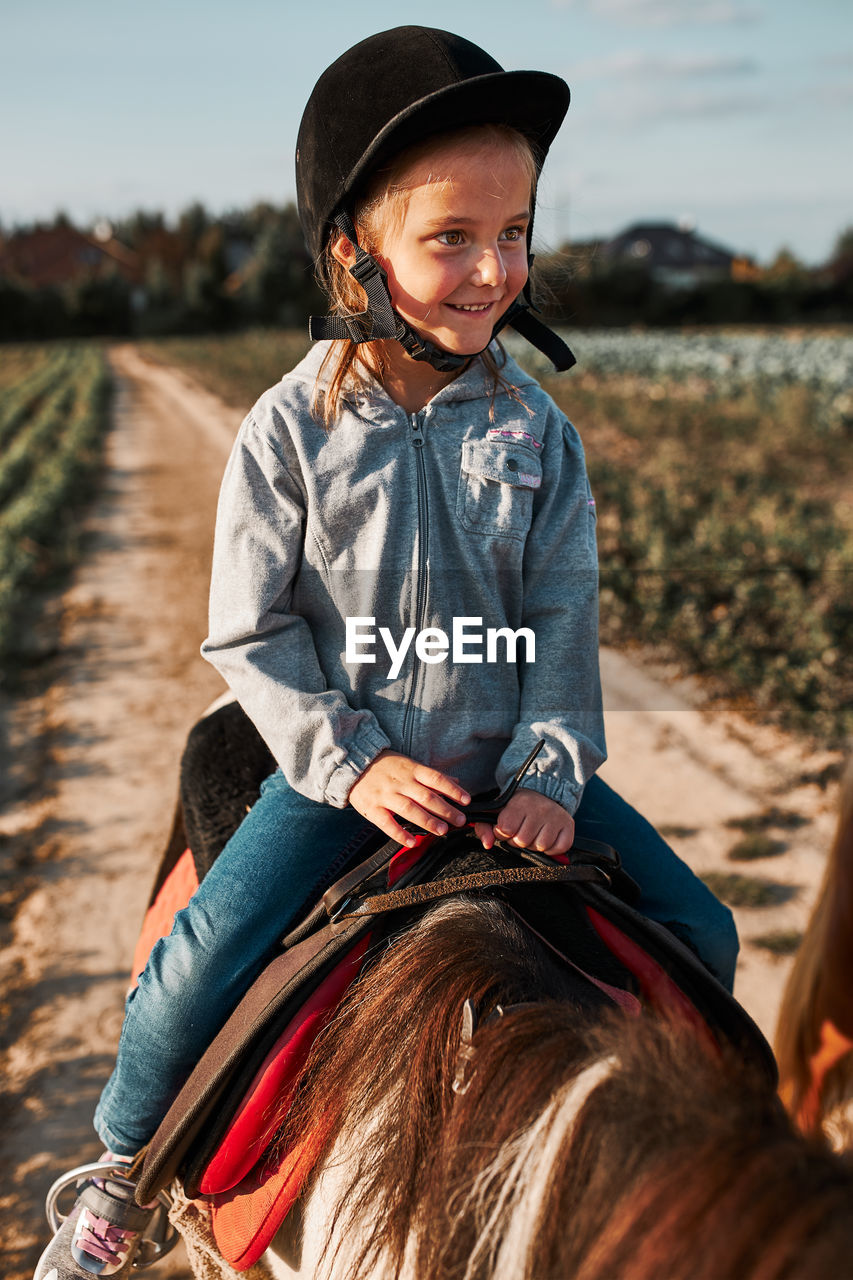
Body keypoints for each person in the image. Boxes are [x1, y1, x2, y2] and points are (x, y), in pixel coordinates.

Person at [34, 26, 737, 1280]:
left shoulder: (538, 432)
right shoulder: (284, 434)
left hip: (503, 763)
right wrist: (350, 763)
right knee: (194, 968)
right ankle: (119, 1173)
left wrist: (551, 768)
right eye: (452, 238)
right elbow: (248, 631)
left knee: (703, 929)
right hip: (340, 770)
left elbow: (562, 622)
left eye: (513, 232)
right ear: (357, 251)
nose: (492, 270)